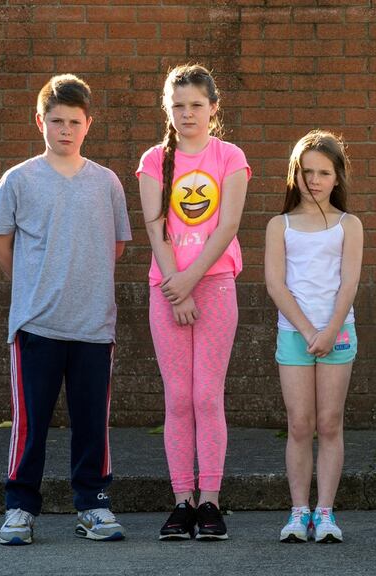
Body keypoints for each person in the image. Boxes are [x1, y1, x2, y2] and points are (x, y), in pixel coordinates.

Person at [0, 74, 131, 545]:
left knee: (93, 424)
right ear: (40, 122)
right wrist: (35, 287)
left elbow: (115, 247)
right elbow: (0, 245)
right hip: (37, 325)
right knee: (30, 426)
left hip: (93, 325)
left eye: (74, 121)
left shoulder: (107, 182)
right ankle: (19, 509)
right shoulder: (18, 180)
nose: (65, 129)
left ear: (88, 124)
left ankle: (93, 505)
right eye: (56, 120)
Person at [137, 64, 249, 541]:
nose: (187, 114)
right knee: (178, 398)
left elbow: (227, 226)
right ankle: (181, 501)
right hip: (167, 289)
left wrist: (191, 280)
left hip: (215, 285)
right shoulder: (151, 160)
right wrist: (174, 284)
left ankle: (210, 502)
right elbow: (154, 225)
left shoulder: (230, 157)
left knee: (207, 395)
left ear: (213, 108)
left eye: (196, 106)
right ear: (168, 108)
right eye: (178, 105)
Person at [265, 130, 363, 544]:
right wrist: (308, 331)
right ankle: (298, 512)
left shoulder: (349, 225)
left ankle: (325, 513)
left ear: (338, 177)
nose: (315, 180)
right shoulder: (279, 225)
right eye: (307, 172)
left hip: (338, 336)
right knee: (300, 425)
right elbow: (275, 284)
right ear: (295, 175)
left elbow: (349, 283)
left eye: (324, 172)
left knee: (329, 423)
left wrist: (330, 330)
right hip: (295, 336)